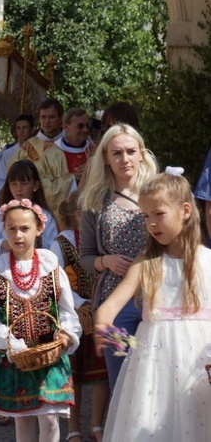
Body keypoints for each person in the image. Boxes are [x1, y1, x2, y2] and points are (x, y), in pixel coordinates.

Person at [95, 172, 211, 441]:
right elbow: (105, 312)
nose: (152, 223)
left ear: (184, 211)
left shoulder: (208, 261)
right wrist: (134, 351)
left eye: (158, 214)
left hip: (199, 367)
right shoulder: (145, 263)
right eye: (146, 216)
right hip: (153, 372)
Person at [0, 199, 81, 442]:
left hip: (50, 357)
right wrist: (11, 343)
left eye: (25, 228)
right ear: (4, 230)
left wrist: (66, 332)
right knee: (22, 419)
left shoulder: (50, 266)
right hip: (15, 360)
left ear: (39, 229)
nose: (18, 235)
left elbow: (66, 309)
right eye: (12, 229)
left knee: (49, 419)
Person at [79, 124, 158, 392]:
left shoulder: (159, 194)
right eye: (116, 153)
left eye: (130, 151)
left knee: (154, 379)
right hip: (115, 306)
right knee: (123, 380)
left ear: (142, 154)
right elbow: (85, 257)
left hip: (157, 299)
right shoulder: (94, 201)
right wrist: (106, 261)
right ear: (105, 158)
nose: (124, 159)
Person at [49, 191, 108, 442]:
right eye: (85, 214)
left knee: (102, 371)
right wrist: (80, 304)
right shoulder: (60, 243)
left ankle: (96, 424)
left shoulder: (104, 241)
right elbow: (54, 281)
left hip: (102, 312)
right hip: (73, 316)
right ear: (75, 215)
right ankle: (73, 427)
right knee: (73, 372)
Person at [0, 160, 59, 262]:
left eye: (24, 183)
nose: (19, 189)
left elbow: (52, 248)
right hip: (7, 269)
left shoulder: (44, 215)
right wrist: (4, 244)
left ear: (35, 185)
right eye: (13, 184)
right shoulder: (2, 213)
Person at [8, 99, 73, 213]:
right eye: (43, 117)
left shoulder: (71, 144)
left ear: (60, 119)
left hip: (65, 210)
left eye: (51, 117)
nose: (47, 121)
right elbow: (12, 176)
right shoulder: (27, 148)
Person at [0, 114, 35, 191]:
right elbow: (1, 176)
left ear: (32, 130)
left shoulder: (38, 151)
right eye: (18, 128)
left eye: (24, 128)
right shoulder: (8, 153)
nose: (21, 131)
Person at [55, 108, 94, 185]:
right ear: (65, 127)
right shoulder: (52, 153)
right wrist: (73, 178)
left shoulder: (94, 150)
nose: (85, 130)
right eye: (80, 126)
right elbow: (47, 186)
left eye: (87, 125)